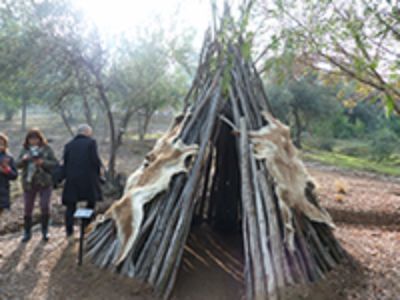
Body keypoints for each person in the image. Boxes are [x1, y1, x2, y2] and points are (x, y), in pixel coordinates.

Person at [61, 124, 103, 239]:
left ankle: (69, 233)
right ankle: (86, 229)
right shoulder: (91, 143)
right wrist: (100, 172)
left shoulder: (68, 145)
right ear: (87, 132)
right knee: (91, 203)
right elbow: (95, 160)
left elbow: (65, 163)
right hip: (88, 180)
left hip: (72, 180)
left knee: (70, 207)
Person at [16, 128, 58, 242]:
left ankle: (45, 231)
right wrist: (24, 160)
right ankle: (27, 232)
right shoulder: (24, 150)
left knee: (45, 206)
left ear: (40, 139)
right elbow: (16, 164)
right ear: (27, 140)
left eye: (35, 138)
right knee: (28, 207)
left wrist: (43, 162)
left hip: (45, 182)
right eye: (31, 139)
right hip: (29, 182)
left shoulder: (47, 149)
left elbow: (55, 163)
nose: (33, 141)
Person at [0, 133, 18, 215]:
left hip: (2, 191)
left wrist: (7, 170)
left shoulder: (8, 158)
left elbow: (14, 176)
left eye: (1, 144)